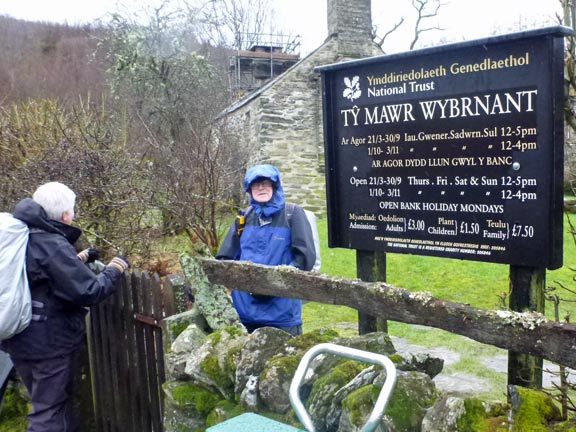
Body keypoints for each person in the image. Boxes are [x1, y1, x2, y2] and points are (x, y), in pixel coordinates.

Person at [0, 182, 130, 432]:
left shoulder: (24, 235)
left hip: (20, 338)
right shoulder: (51, 242)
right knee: (49, 413)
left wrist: (78, 258)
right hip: (48, 344)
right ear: (65, 215)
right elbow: (89, 291)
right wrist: (115, 268)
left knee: (47, 403)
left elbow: (41, 275)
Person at [217, 164, 316, 336]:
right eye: (255, 184)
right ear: (249, 189)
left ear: (275, 186)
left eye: (265, 182)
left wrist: (272, 285)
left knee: (285, 362)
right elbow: (225, 259)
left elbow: (305, 259)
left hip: (282, 314)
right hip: (245, 313)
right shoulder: (244, 218)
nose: (260, 187)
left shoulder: (292, 214)